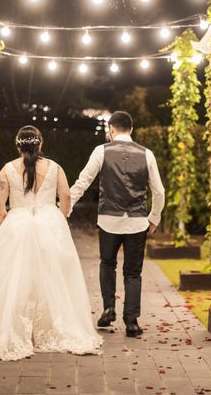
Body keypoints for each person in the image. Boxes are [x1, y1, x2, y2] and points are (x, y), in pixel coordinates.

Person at [0, 126, 103, 361]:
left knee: (15, 276)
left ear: (18, 146)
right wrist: (61, 216)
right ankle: (50, 327)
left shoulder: (8, 169)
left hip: (19, 223)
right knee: (53, 276)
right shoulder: (55, 167)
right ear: (40, 144)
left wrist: (3, 216)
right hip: (48, 223)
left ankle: (18, 328)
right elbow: (65, 195)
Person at [68, 111, 165, 337]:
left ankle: (109, 308)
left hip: (108, 220)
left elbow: (83, 182)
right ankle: (131, 322)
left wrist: (66, 206)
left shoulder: (101, 151)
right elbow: (158, 191)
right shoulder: (147, 154)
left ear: (111, 129)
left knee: (107, 264)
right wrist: (154, 217)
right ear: (131, 129)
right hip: (137, 222)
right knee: (133, 273)